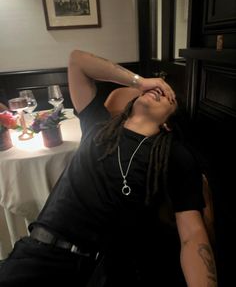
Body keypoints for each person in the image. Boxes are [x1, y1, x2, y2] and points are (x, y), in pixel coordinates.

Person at [0, 49, 217, 286]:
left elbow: (193, 236)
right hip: (39, 257)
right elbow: (78, 61)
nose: (158, 90)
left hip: (100, 272)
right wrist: (140, 81)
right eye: (153, 89)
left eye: (168, 96)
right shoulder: (98, 125)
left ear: (168, 123)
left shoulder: (174, 155)